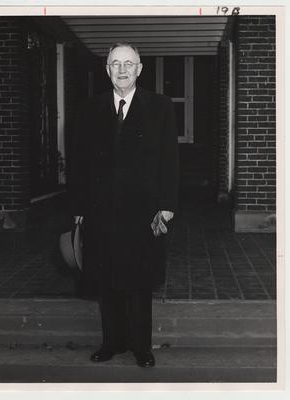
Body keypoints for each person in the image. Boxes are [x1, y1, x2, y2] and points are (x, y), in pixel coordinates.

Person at [69, 42, 179, 368]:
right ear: (107, 70)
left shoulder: (160, 107)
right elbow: (78, 163)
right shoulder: (90, 108)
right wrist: (78, 206)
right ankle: (112, 342)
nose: (122, 69)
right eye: (115, 63)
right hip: (101, 211)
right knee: (108, 280)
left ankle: (141, 347)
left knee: (139, 281)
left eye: (128, 63)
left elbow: (170, 160)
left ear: (139, 69)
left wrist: (167, 204)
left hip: (142, 212)